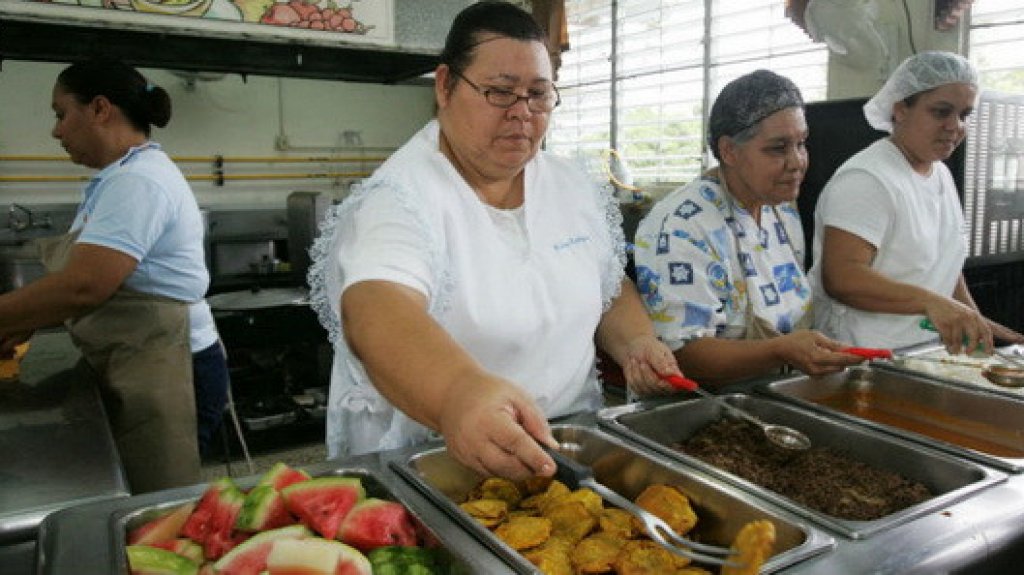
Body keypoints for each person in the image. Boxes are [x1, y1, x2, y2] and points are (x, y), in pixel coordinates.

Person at [307, 1, 682, 480]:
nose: (522, 113)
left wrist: (636, 342)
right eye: (500, 92)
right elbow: (377, 310)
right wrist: (458, 393)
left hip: (568, 443)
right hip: (441, 457)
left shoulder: (570, 187)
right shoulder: (401, 199)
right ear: (445, 86)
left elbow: (605, 286)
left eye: (539, 95)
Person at [0, 58, 229, 493]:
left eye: (61, 113)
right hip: (144, 355)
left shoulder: (139, 182)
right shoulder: (121, 177)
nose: (56, 131)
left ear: (100, 109)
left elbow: (86, 285)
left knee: (158, 498)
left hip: (170, 364)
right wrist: (26, 317)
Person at [633, 70, 863, 385]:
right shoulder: (682, 227)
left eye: (801, 143)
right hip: (701, 409)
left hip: (773, 393)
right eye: (778, 148)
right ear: (729, 151)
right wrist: (781, 350)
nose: (797, 162)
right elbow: (685, 356)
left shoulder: (780, 209)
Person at [810, 51, 1024, 354]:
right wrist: (934, 303)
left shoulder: (940, 174)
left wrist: (975, 323)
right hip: (864, 355)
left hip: (924, 350)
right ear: (900, 110)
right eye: (940, 112)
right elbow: (842, 277)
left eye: (963, 115)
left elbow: (943, 266)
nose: (955, 126)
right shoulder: (868, 178)